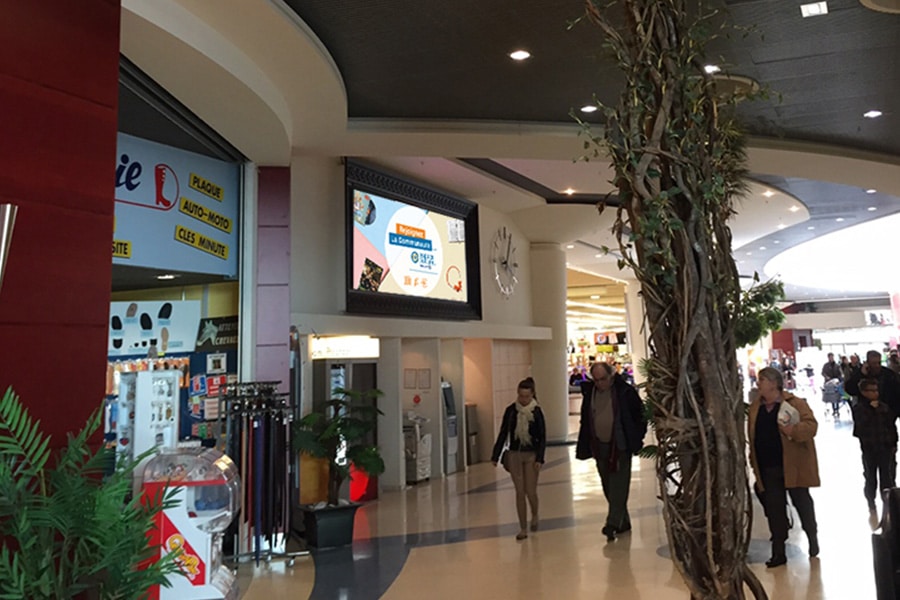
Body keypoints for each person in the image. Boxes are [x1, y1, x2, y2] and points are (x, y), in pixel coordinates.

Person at [748, 367, 820, 568]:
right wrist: (753, 462)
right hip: (768, 467)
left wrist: (793, 430)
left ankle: (812, 537)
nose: (758, 384)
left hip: (793, 465)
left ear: (773, 383)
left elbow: (812, 426)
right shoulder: (756, 408)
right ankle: (778, 551)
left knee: (802, 503)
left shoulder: (795, 403)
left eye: (762, 380)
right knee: (775, 509)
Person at [576, 361, 647, 542]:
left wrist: (635, 437)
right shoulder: (590, 393)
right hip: (599, 446)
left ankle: (612, 523)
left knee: (619, 486)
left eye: (603, 379)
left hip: (620, 446)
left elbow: (640, 416)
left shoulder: (625, 393)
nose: (600, 383)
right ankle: (623, 522)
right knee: (608, 485)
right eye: (596, 380)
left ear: (611, 376)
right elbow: (586, 419)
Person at [491, 377, 546, 540]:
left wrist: (540, 458)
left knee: (530, 491)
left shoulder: (536, 412)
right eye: (521, 396)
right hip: (515, 454)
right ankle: (523, 528)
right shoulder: (511, 411)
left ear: (532, 395)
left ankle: (535, 514)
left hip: (531, 454)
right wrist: (495, 455)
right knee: (519, 492)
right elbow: (503, 433)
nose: (523, 399)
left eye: (527, 396)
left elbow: (543, 437)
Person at [851, 378, 898, 511]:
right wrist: (872, 411)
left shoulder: (884, 407)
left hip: (886, 447)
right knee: (870, 477)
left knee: (887, 477)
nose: (875, 393)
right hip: (869, 448)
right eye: (871, 390)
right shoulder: (859, 409)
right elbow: (859, 428)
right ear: (863, 392)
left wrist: (894, 443)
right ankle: (871, 504)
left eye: (876, 390)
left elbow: (891, 426)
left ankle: (889, 505)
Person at [846, 350, 900, 417]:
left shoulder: (888, 374)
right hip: (866, 413)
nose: (877, 366)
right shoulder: (860, 374)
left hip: (887, 413)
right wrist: (861, 374)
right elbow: (850, 390)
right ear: (867, 362)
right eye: (874, 363)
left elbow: (897, 392)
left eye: (879, 362)